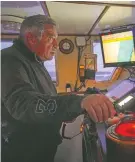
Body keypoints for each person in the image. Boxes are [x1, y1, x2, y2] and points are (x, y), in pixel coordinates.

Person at [1, 15, 116, 162]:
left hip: (42, 146)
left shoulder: (35, 60)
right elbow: (24, 104)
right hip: (25, 152)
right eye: (50, 38)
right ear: (31, 38)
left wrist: (79, 101)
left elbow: (46, 95)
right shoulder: (9, 60)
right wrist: (78, 102)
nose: (56, 44)